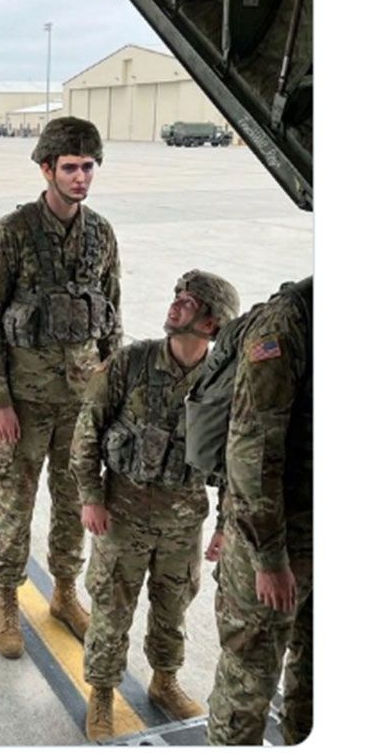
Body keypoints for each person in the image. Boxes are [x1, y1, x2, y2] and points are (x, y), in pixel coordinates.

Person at [0, 116, 122, 660]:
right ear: (46, 169)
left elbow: (111, 316)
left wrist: (110, 394)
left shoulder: (101, 234)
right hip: (25, 403)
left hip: (80, 403)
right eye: (71, 167)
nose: (81, 177)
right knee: (14, 504)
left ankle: (63, 593)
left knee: (73, 501)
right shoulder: (12, 233)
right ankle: (8, 599)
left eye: (89, 167)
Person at [71, 271, 240, 740]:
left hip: (183, 521)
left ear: (211, 323)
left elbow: (236, 458)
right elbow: (88, 430)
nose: (177, 303)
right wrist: (90, 497)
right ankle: (102, 693)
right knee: (111, 607)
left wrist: (225, 524)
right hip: (121, 513)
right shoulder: (132, 362)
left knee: (173, 606)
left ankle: (165, 680)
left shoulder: (222, 382)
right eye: (177, 295)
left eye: (190, 301)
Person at [207, 277, 313, 746]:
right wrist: (269, 559)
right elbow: (251, 452)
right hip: (275, 543)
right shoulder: (288, 323)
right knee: (247, 684)